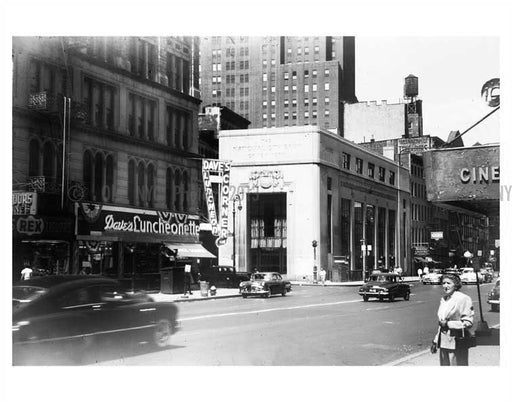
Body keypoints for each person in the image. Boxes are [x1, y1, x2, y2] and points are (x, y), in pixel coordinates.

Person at [431, 273, 474, 366]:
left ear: (456, 284)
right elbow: (441, 323)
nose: (445, 286)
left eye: (448, 283)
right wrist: (435, 341)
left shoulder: (463, 298)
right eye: (443, 283)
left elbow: (468, 322)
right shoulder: (444, 299)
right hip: (443, 342)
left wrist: (449, 324)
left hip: (456, 342)